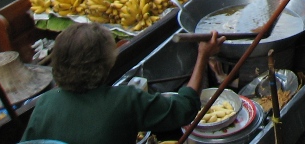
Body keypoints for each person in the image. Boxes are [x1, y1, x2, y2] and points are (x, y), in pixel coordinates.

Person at [21, 22, 225, 144]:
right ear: (103, 64)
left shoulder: (44, 103)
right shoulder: (123, 100)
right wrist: (202, 56)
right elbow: (184, 109)